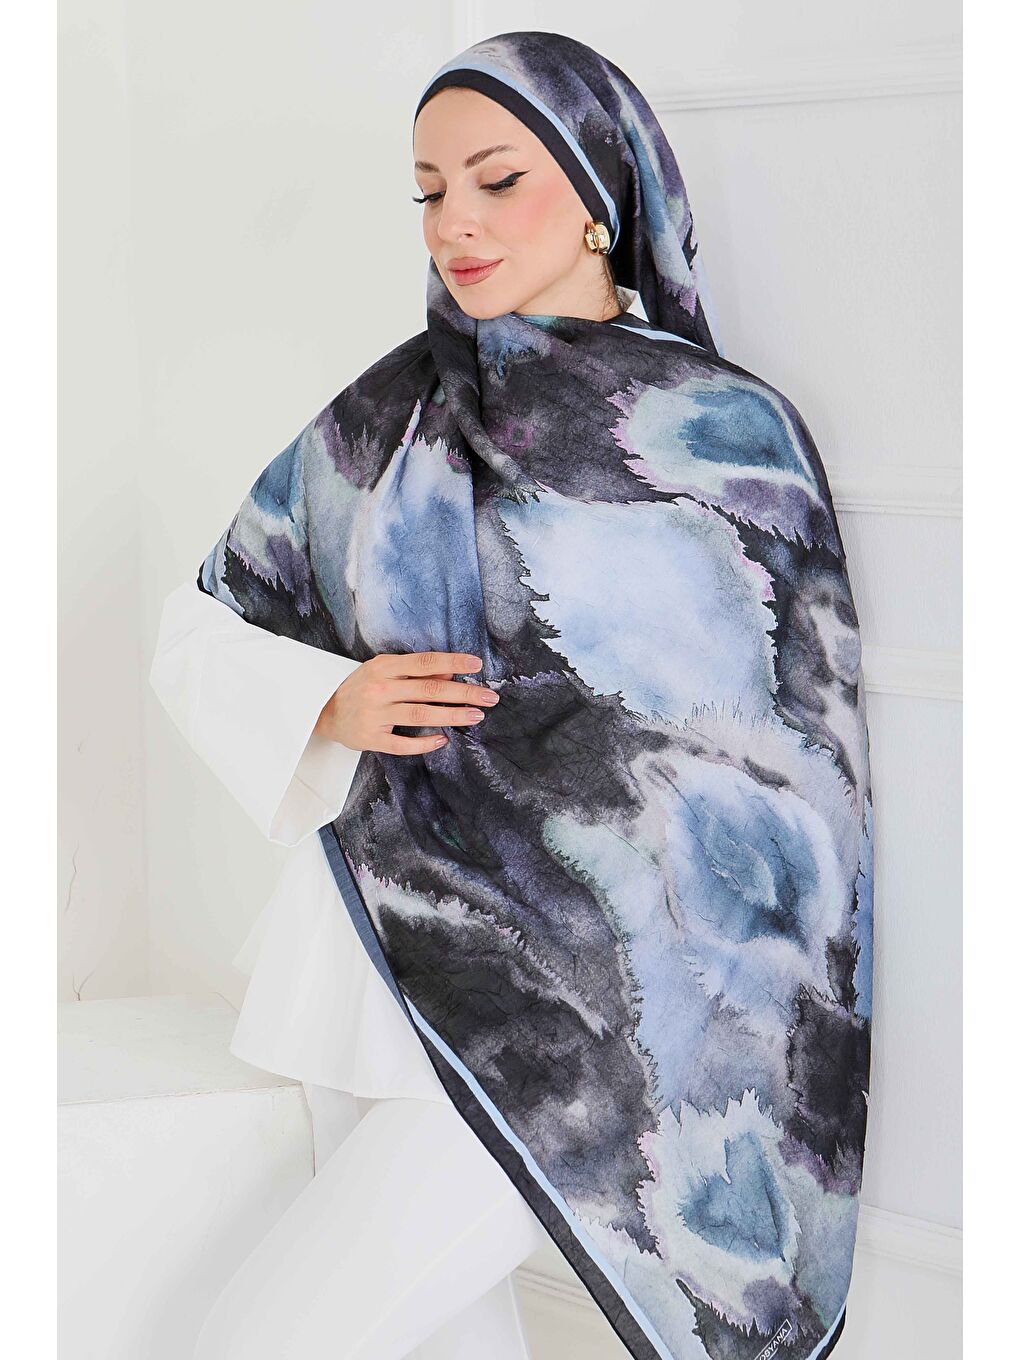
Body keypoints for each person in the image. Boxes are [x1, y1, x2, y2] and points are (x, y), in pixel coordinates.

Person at [151, 29, 873, 1360]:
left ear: (600, 192)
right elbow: (200, 625)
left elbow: (793, 782)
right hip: (380, 956)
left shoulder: (726, 437)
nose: (456, 224)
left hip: (603, 1024)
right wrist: (331, 704)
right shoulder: (387, 414)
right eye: (429, 191)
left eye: (497, 180)